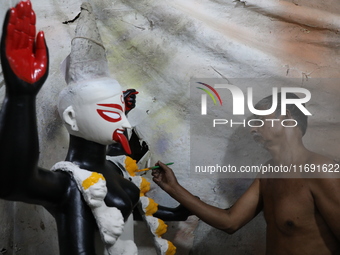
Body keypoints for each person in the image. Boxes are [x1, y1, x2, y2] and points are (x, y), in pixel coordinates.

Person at [0, 1, 189, 255]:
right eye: (112, 112)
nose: (124, 121)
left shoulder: (112, 166)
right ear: (71, 118)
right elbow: (14, 182)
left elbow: (138, 208)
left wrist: (178, 211)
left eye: (123, 111)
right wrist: (21, 97)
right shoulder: (70, 183)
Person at [152, 93, 340, 255]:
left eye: (259, 121)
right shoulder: (268, 172)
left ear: (286, 117)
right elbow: (230, 222)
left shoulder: (321, 169)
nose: (252, 129)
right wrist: (173, 188)